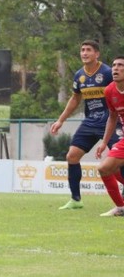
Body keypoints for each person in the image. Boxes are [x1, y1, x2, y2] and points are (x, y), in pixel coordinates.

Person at [50, 40, 122, 210]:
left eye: (88, 50)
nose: (84, 53)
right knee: (72, 156)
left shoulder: (107, 72)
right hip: (90, 121)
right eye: (82, 50)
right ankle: (76, 199)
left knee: (118, 160)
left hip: (109, 120)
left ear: (97, 54)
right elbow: (75, 98)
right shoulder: (79, 75)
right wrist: (61, 120)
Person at [95, 55, 124, 216]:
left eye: (120, 65)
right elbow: (112, 117)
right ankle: (121, 207)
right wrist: (104, 142)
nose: (116, 68)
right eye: (114, 65)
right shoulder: (109, 90)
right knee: (105, 168)